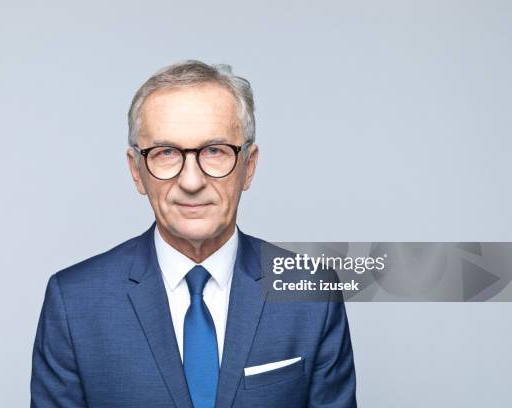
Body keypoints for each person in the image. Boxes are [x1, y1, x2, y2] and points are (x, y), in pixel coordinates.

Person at [30, 60, 356, 407]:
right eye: (166, 153)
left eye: (214, 151)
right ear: (136, 171)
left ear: (249, 166)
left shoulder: (312, 297)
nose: (191, 181)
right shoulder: (74, 301)